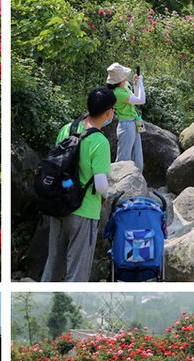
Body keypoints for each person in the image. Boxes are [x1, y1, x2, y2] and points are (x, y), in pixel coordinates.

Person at [41, 87, 115, 282]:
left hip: (58, 205)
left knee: (53, 266)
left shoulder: (67, 129)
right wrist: (105, 196)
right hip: (85, 211)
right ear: (108, 112)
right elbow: (100, 184)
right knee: (77, 272)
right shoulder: (100, 141)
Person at [106, 62, 145, 170]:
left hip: (134, 122)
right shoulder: (117, 92)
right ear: (120, 78)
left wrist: (136, 85)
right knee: (123, 158)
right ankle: (119, 183)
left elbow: (136, 98)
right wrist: (141, 82)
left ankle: (137, 182)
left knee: (137, 156)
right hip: (126, 125)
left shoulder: (126, 86)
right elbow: (141, 100)